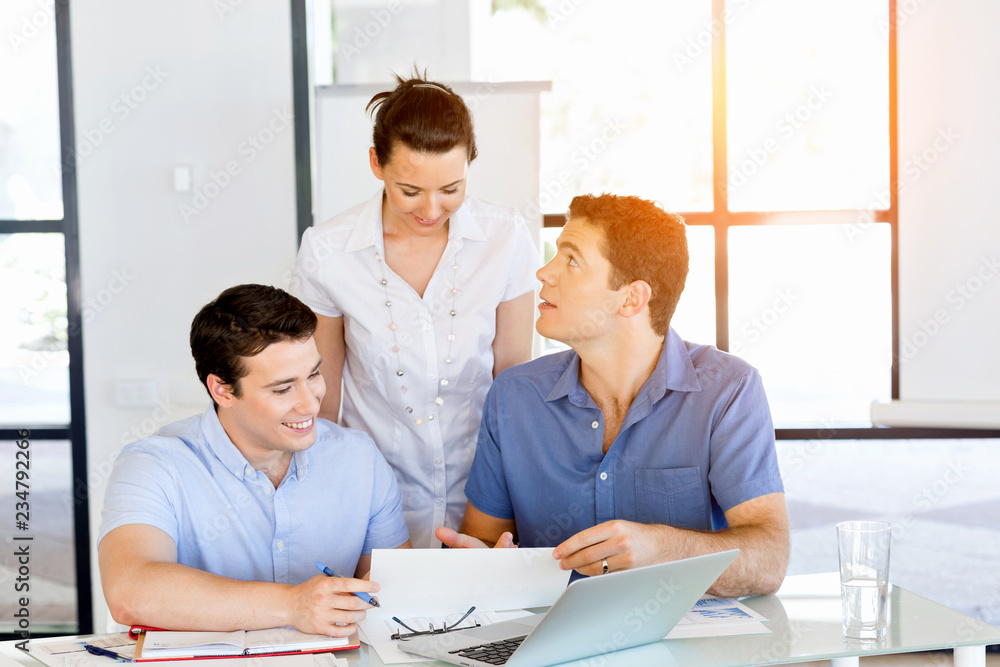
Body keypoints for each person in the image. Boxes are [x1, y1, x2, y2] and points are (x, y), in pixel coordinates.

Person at [437, 194, 789, 598]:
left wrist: (659, 547)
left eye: (572, 261)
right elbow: (484, 544)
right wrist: (480, 563)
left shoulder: (728, 390)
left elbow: (769, 562)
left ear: (631, 298)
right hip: (548, 634)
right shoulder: (514, 396)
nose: (544, 272)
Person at [291, 73, 540, 548]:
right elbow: (322, 398)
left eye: (451, 188)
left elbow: (514, 381)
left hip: (486, 493)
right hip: (376, 497)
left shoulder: (504, 237)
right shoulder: (328, 252)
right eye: (410, 190)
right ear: (376, 164)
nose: (431, 209)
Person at [98, 285, 410, 636]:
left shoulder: (358, 457)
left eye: (313, 375)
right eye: (283, 389)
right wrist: (293, 605)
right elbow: (129, 593)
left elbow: (393, 585)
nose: (311, 404)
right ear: (223, 390)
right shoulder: (154, 464)